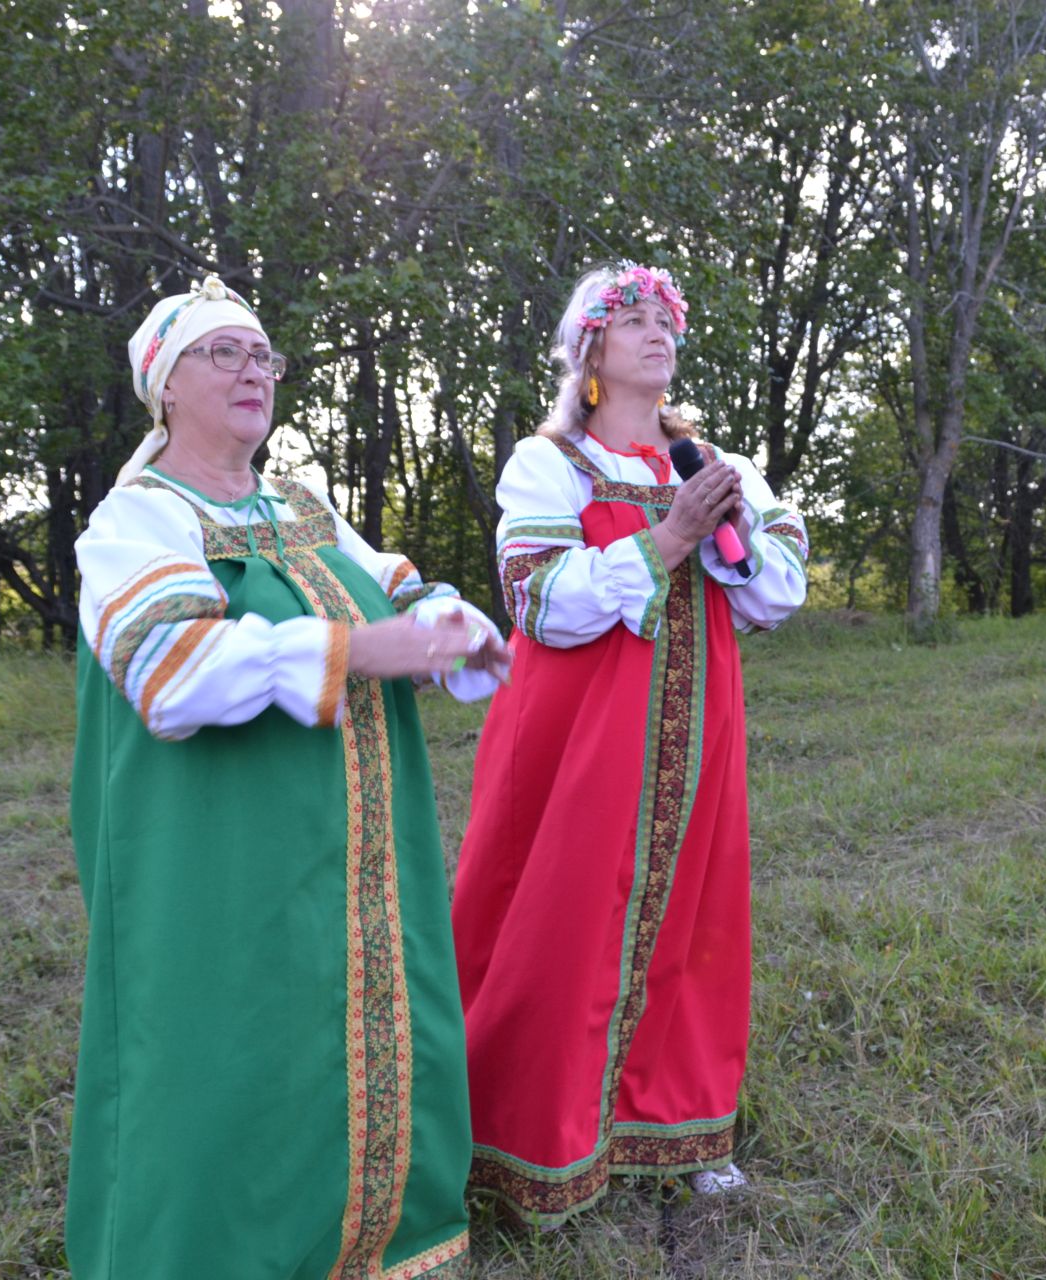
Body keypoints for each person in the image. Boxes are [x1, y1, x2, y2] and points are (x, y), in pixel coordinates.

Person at [65, 274, 506, 1279]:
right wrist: (362, 648)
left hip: (349, 840)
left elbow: (395, 583)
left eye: (264, 355)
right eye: (225, 353)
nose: (254, 371)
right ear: (164, 385)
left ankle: (370, 1238)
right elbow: (170, 672)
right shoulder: (138, 520)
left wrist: (452, 623)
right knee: (236, 1044)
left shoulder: (298, 503)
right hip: (221, 849)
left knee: (340, 1030)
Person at [450, 263, 809, 1227]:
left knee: (693, 918)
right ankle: (528, 1138)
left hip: (696, 736)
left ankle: (681, 1126)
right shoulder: (550, 464)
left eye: (667, 320)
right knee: (557, 916)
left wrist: (727, 527)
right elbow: (539, 604)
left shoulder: (712, 462)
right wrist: (664, 543)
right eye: (635, 319)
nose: (659, 332)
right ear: (590, 352)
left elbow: (778, 593)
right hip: (575, 741)